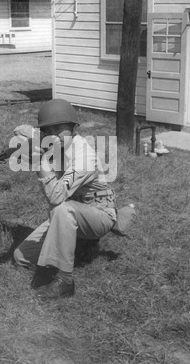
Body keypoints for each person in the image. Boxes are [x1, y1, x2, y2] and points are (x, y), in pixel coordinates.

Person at [13, 99, 117, 300]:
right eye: (48, 130)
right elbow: (27, 132)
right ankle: (77, 244)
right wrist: (26, 135)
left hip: (99, 212)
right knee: (21, 257)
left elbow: (56, 196)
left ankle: (65, 281)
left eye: (59, 129)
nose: (54, 135)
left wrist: (39, 161)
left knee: (62, 208)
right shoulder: (55, 141)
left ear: (72, 128)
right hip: (73, 210)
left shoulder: (84, 156)